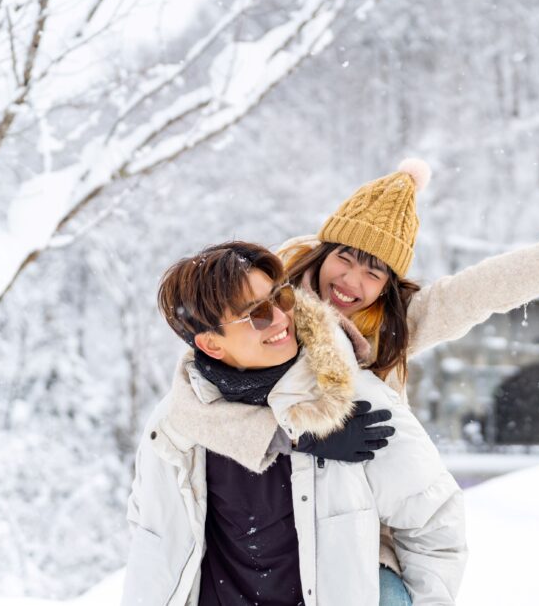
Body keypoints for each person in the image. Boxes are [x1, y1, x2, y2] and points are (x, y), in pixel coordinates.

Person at [184, 158, 539, 605]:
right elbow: (187, 411)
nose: (351, 283)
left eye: (374, 272)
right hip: (254, 528)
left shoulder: (389, 332)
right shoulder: (261, 313)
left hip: (351, 532)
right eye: (345, 257)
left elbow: (475, 292)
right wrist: (299, 436)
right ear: (324, 251)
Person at [121, 241, 466, 606]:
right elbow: (152, 538)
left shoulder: (352, 403)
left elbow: (434, 521)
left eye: (281, 297)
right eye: (256, 314)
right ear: (212, 345)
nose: (282, 318)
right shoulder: (173, 430)